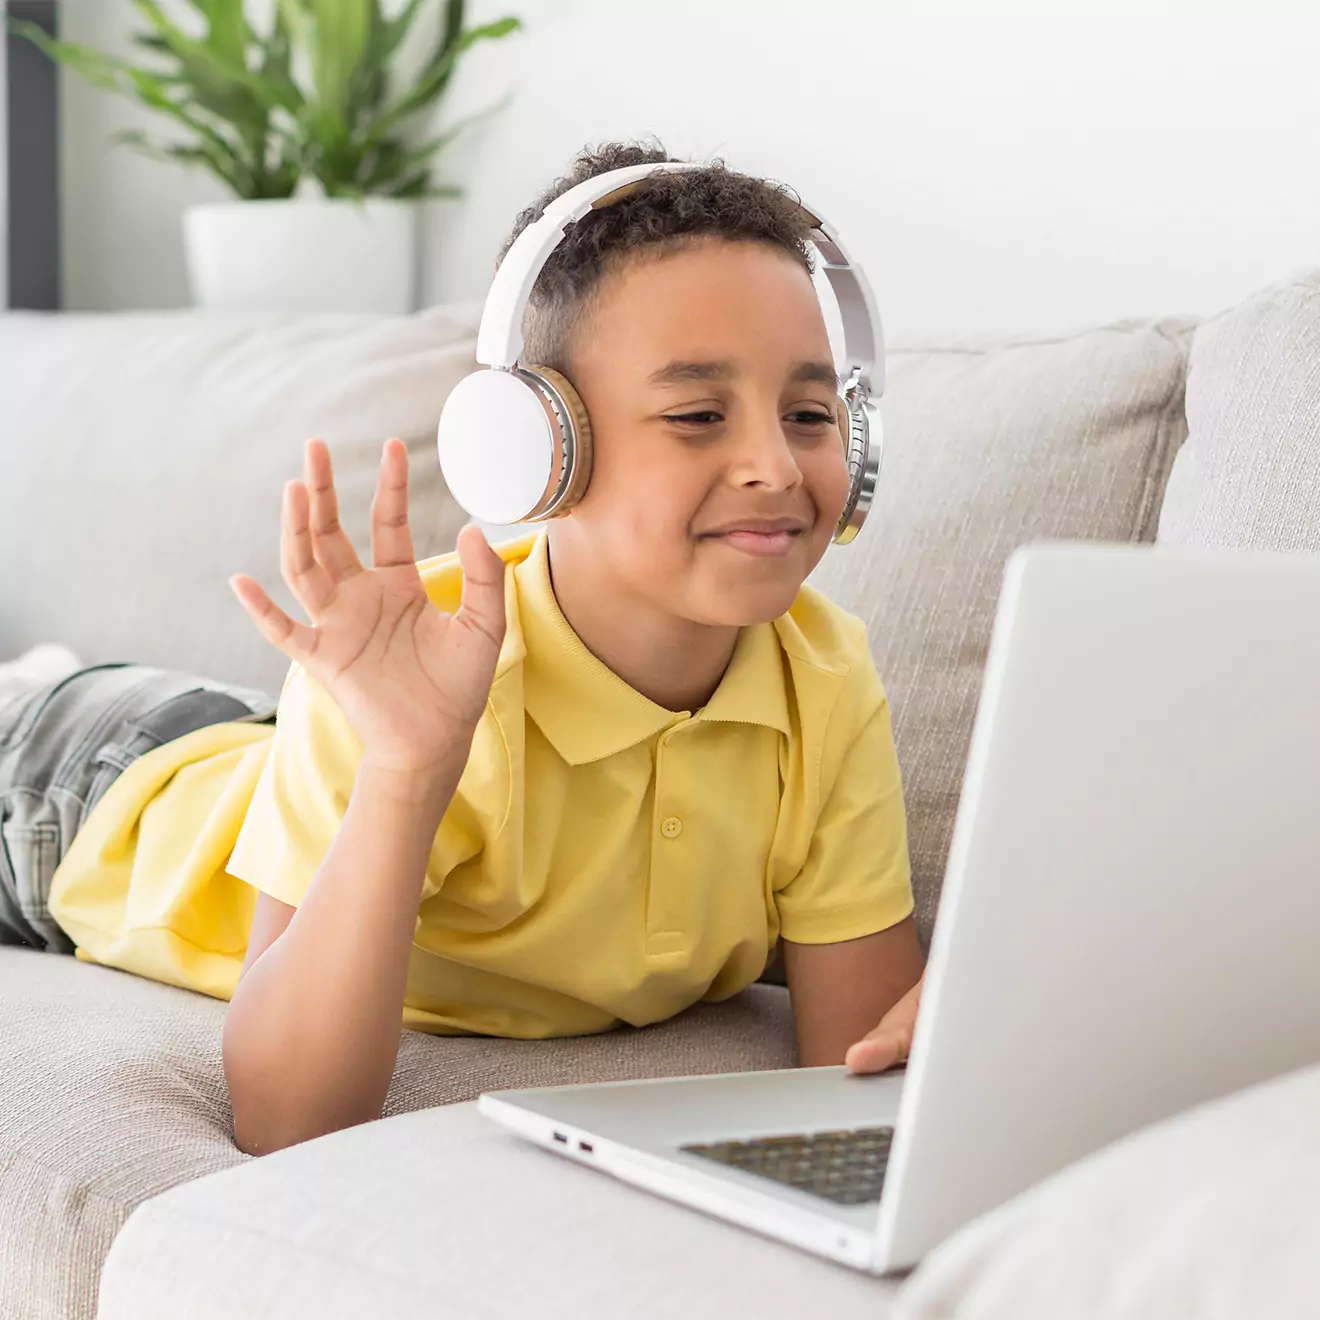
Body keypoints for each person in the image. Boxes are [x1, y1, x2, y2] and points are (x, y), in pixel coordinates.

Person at [0, 142, 925, 1157]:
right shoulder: (424, 672)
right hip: (83, 788)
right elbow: (287, 1119)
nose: (772, 466)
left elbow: (856, 1074)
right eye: (699, 415)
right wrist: (409, 767)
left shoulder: (826, 679)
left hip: (246, 750)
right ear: (534, 447)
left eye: (809, 414)